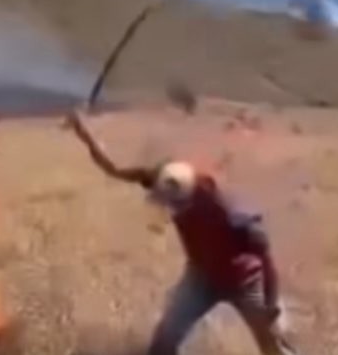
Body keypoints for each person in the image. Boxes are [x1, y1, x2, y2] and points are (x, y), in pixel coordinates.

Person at [65, 110, 301, 355]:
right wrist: (84, 134)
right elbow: (113, 168)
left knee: (271, 345)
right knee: (163, 345)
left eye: (178, 202)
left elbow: (263, 253)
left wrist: (270, 304)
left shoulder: (227, 203)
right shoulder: (163, 177)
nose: (173, 208)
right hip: (201, 278)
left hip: (244, 281)